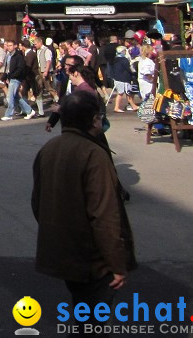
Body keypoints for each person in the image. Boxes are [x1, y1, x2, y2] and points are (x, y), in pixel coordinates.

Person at [32, 91, 136, 308]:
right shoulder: (93, 153)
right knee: (92, 322)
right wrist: (117, 263)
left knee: (82, 313)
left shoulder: (49, 149)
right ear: (94, 120)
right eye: (98, 116)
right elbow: (105, 215)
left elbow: (38, 203)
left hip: (64, 251)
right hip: (93, 259)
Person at [1, 39, 36, 121]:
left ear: (15, 46)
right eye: (7, 45)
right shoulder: (8, 55)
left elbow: (20, 68)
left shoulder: (18, 56)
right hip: (10, 77)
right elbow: (7, 68)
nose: (8, 47)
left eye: (10, 45)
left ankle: (9, 114)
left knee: (10, 97)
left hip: (16, 78)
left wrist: (13, 75)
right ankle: (29, 111)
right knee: (16, 97)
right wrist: (5, 77)